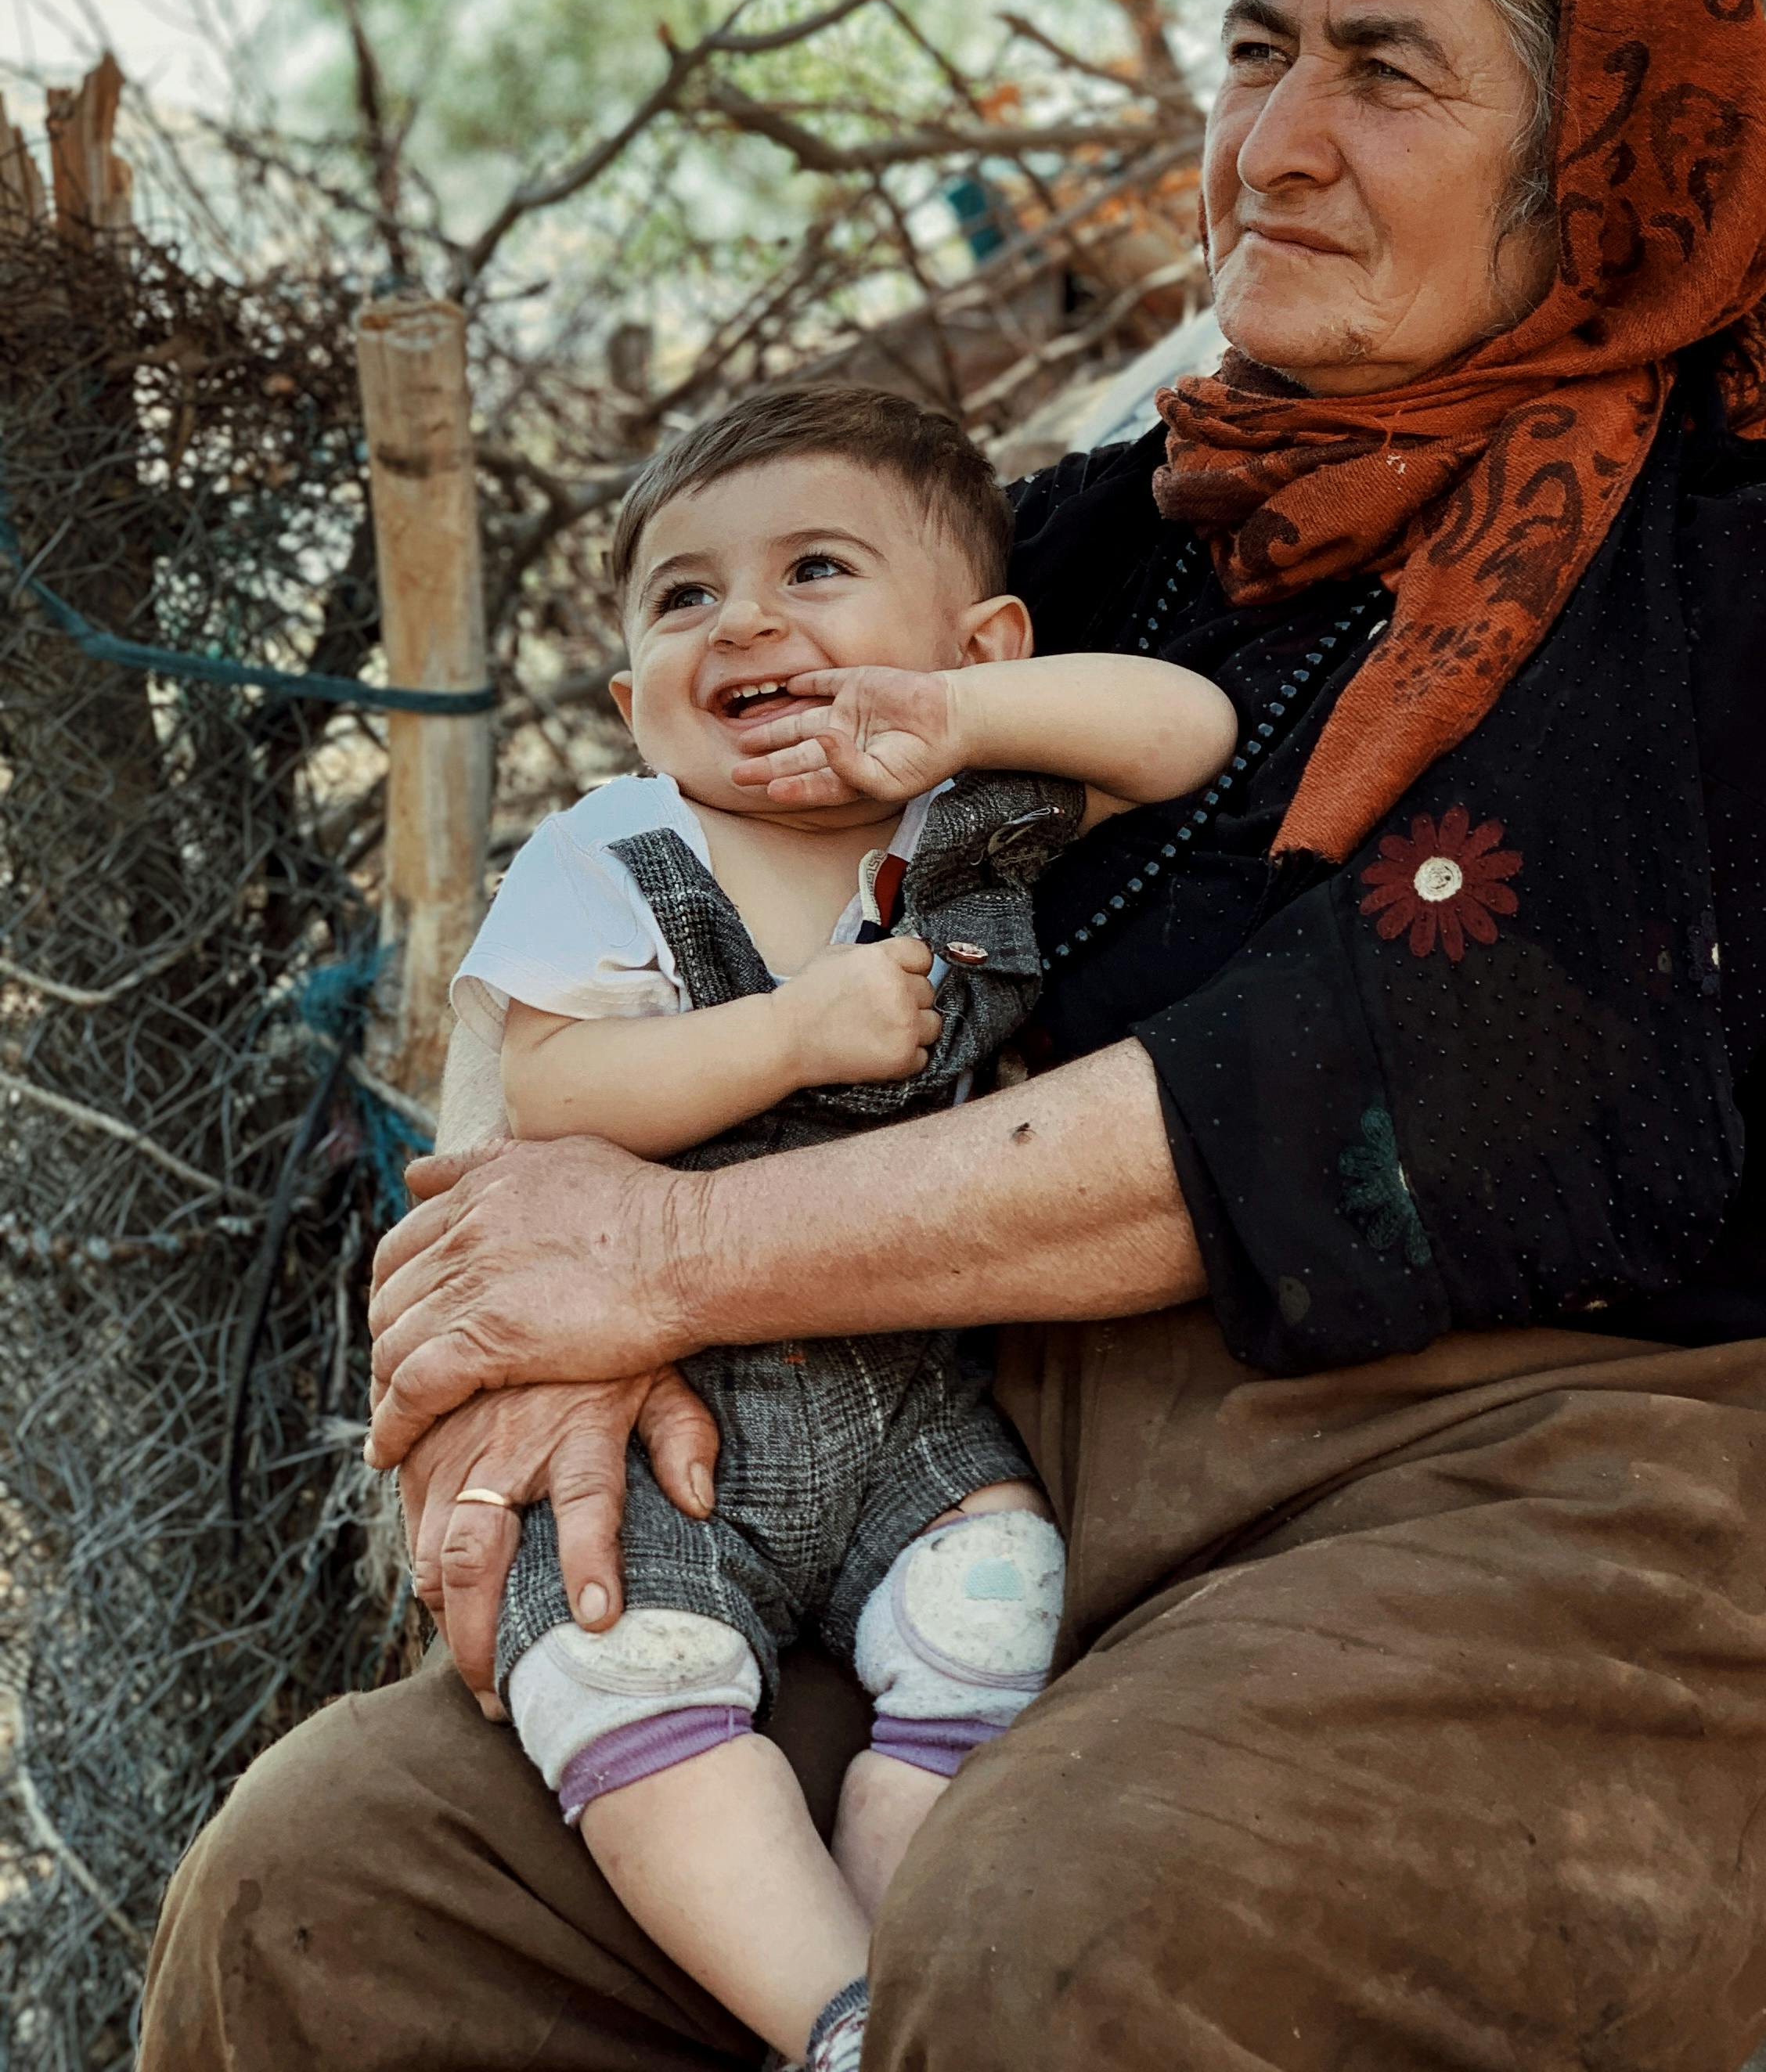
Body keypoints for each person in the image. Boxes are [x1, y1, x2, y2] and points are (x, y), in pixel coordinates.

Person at [142, 0, 1766, 2072]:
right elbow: (690, 907)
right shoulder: (1100, 547)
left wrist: (680, 1260)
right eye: (1253, 52)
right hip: (994, 1496)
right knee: (336, 1885)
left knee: (1068, 1933)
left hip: (1573, 1504)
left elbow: (1399, 1075)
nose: (1278, 141)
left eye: (1387, 67)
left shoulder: (1735, 578)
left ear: (1593, 149)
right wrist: (555, 1294)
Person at [438, 382, 1237, 2068]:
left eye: (815, 569)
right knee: (619, 1669)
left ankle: (900, 1949)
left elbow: (1190, 734)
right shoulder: (615, 848)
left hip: (913, 1419)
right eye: (683, 597)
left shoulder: (972, 811)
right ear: (629, 697)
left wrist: (961, 719)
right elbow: (561, 1094)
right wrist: (792, 1036)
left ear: (980, 642)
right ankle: (832, 2012)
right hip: (682, 1429)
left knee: (1001, 1608)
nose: (746, 622)